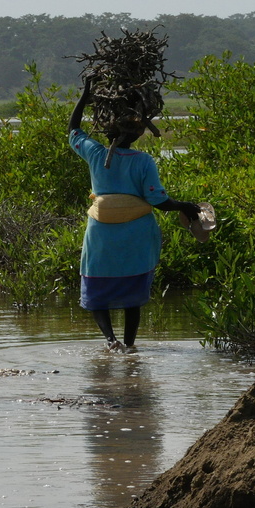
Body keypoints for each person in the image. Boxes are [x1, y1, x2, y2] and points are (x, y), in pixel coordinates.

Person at [68, 78, 200, 353]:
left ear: (111, 129)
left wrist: (85, 96)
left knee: (97, 286)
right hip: (137, 232)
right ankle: (129, 346)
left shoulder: (94, 153)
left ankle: (110, 341)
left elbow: (74, 129)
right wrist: (185, 205)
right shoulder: (143, 161)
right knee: (133, 291)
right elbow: (159, 201)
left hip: (101, 231)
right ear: (139, 134)